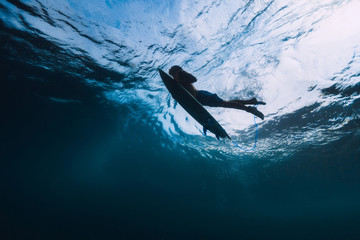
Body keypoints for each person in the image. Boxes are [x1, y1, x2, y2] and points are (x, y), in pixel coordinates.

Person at [168, 65, 266, 120]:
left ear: (175, 69)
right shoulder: (176, 78)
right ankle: (251, 101)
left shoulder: (179, 74)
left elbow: (193, 79)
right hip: (200, 97)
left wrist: (181, 78)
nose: (169, 70)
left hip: (200, 96)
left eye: (171, 70)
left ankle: (250, 109)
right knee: (225, 102)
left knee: (224, 104)